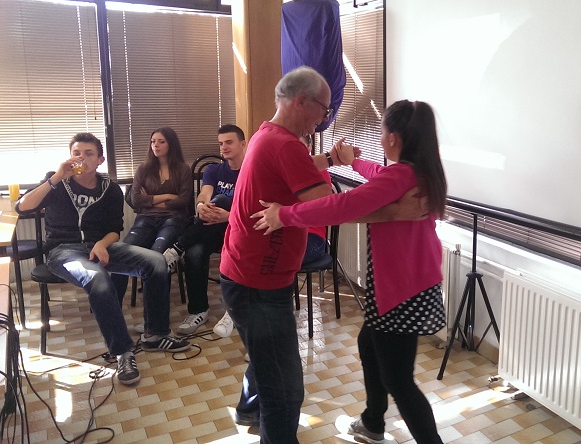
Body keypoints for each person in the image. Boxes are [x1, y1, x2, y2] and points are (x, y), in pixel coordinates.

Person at [219, 66, 423, 443]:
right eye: (324, 110)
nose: (325, 118)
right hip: (257, 283)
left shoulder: (270, 135)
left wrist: (331, 159)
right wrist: (395, 213)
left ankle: (248, 409)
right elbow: (332, 208)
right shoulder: (284, 143)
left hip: (250, 275)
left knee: (268, 363)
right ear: (301, 101)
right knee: (285, 393)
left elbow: (295, 168)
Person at [251, 100, 447, 444]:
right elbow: (380, 177)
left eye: (382, 131)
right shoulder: (418, 172)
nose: (380, 137)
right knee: (368, 344)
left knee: (399, 381)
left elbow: (343, 205)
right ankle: (372, 422)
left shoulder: (401, 176)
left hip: (399, 292)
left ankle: (400, 431)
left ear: (392, 138)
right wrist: (353, 161)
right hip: (414, 285)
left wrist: (285, 214)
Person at [16, 133, 191, 386]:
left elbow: (114, 230)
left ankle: (155, 334)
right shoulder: (56, 182)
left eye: (88, 153)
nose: (81, 158)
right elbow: (22, 206)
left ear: (100, 159)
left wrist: (101, 243)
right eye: (76, 153)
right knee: (97, 278)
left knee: (155, 261)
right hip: (63, 251)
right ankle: (122, 352)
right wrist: (56, 178)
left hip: (101, 245)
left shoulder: (110, 189)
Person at [160, 124, 247, 336]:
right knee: (194, 252)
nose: (224, 147)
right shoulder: (213, 171)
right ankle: (199, 311)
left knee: (222, 199)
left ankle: (177, 248)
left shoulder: (252, 171)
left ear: (243, 144)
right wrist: (200, 206)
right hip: (211, 229)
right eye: (221, 143)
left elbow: (253, 208)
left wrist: (229, 216)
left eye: (229, 142)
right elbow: (205, 194)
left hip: (239, 230)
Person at [112, 127, 192, 302]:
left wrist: (150, 199)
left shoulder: (183, 169)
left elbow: (183, 201)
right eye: (153, 141)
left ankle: (155, 308)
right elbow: (136, 199)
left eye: (161, 142)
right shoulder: (144, 168)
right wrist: (168, 196)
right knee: (121, 253)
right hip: (146, 219)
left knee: (157, 254)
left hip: (173, 219)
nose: (155, 145)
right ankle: (112, 304)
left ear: (171, 144)